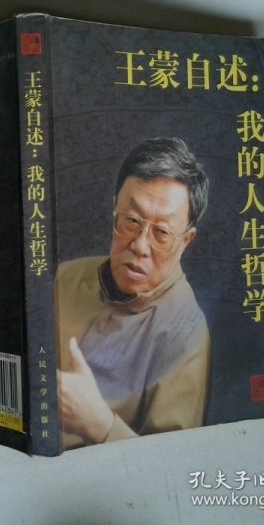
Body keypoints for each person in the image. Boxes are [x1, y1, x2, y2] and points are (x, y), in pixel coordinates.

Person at [56, 137, 211, 449]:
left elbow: (170, 463)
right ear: (115, 209)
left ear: (186, 241)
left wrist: (100, 424)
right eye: (131, 221)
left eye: (161, 233)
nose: (140, 246)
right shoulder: (66, 276)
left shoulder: (186, 334)